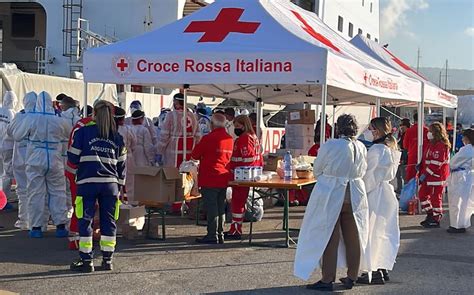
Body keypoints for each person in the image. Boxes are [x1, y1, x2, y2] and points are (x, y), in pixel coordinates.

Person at [294, 114, 369, 292]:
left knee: (328, 236)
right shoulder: (360, 146)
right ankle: (352, 275)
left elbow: (318, 169)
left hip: (332, 193)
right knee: (353, 237)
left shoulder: (331, 145)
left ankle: (327, 278)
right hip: (355, 194)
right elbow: (363, 170)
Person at [68, 100, 126, 273]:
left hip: (87, 182)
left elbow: (72, 158)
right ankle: (107, 260)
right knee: (109, 221)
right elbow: (122, 166)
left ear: (93, 114)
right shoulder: (117, 137)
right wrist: (120, 188)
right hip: (110, 184)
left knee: (85, 220)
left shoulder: (83, 132)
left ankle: (86, 261)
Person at [12, 91, 70, 238]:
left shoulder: (31, 118)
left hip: (35, 159)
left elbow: (17, 135)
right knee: (58, 192)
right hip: (54, 158)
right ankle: (60, 225)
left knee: (35, 193)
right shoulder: (58, 120)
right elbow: (69, 133)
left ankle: (36, 227)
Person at [358, 117, 401, 284]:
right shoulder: (391, 147)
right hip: (387, 193)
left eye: (370, 128)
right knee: (383, 232)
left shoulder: (376, 149)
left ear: (376, 130)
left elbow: (368, 176)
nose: (368, 131)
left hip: (375, 194)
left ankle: (372, 270)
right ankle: (382, 267)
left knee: (370, 233)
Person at [191, 113, 233, 244]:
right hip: (223, 177)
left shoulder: (208, 138)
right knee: (221, 207)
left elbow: (195, 155)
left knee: (212, 208)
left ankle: (212, 234)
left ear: (212, 124)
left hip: (210, 177)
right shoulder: (229, 139)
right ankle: (220, 233)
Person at [226, 115, 263, 239]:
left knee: (237, 202)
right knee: (239, 202)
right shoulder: (253, 137)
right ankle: (235, 228)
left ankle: (236, 230)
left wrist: (236, 171)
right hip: (247, 175)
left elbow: (247, 159)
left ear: (244, 125)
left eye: (238, 126)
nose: (236, 128)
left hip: (241, 176)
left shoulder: (244, 138)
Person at [65, 104, 95, 250]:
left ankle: (83, 236)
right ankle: (76, 239)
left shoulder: (82, 124)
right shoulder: (88, 126)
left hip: (78, 169)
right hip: (80, 171)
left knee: (82, 205)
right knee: (81, 205)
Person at [6, 92, 37, 230]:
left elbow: (10, 131)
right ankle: (37, 222)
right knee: (38, 190)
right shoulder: (40, 116)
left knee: (22, 190)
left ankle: (24, 220)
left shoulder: (20, 115)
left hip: (19, 157)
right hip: (35, 157)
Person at [418, 122, 451, 228]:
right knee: (422, 195)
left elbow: (436, 163)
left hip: (436, 177)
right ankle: (430, 214)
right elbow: (427, 159)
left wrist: (425, 174)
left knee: (436, 198)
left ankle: (436, 218)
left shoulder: (441, 145)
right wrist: (421, 166)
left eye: (430, 131)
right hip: (428, 176)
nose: (428, 133)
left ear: (436, 132)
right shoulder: (431, 143)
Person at [156, 93, 200, 168]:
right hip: (190, 149)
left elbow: (164, 135)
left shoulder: (171, 115)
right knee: (187, 173)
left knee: (172, 175)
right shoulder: (193, 115)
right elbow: (198, 135)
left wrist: (159, 151)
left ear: (176, 102)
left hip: (173, 151)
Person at [447, 129, 474, 233]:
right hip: (468, 177)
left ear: (466, 138)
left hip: (460, 177)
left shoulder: (466, 149)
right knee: (465, 202)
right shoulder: (471, 149)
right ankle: (462, 223)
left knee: (456, 201)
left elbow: (453, 162)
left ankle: (456, 225)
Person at [0, 91, 17, 204]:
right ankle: (3, 201)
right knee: (7, 174)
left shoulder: (0, 110)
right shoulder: (13, 115)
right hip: (7, 147)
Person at [403, 113, 429, 182]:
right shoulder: (427, 130)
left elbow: (405, 146)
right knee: (424, 179)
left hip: (412, 157)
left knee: (411, 180)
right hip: (425, 157)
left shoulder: (409, 131)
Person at [396, 119, 411, 193]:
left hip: (404, 158)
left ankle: (404, 191)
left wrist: (404, 159)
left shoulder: (407, 134)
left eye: (402, 125)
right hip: (400, 156)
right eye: (400, 125)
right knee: (398, 175)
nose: (401, 127)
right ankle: (400, 189)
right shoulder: (401, 134)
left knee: (404, 176)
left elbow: (405, 148)